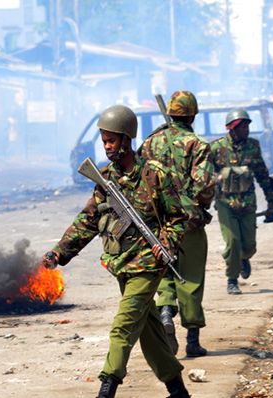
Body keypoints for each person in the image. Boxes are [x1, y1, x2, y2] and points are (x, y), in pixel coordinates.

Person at [38, 105, 191, 398]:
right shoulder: (105, 178)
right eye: (104, 141)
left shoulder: (153, 174)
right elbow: (89, 219)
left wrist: (167, 244)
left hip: (147, 265)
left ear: (126, 139)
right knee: (150, 333)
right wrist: (59, 252)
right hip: (121, 264)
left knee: (122, 328)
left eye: (111, 140)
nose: (107, 146)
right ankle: (178, 391)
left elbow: (179, 216)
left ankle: (107, 389)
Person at [138, 90, 215, 358]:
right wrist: (198, 206)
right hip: (189, 223)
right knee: (191, 279)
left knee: (165, 275)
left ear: (170, 112)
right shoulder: (198, 145)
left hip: (157, 223)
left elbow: (139, 178)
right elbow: (204, 185)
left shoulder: (150, 143)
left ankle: (167, 314)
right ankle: (192, 341)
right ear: (192, 114)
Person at [211, 108, 273, 294]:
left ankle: (243, 258)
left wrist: (271, 200)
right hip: (225, 203)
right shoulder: (217, 148)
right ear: (232, 129)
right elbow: (205, 175)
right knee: (232, 242)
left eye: (248, 126)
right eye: (242, 127)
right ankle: (232, 279)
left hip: (248, 203)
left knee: (248, 245)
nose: (246, 130)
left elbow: (262, 174)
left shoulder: (253, 147)